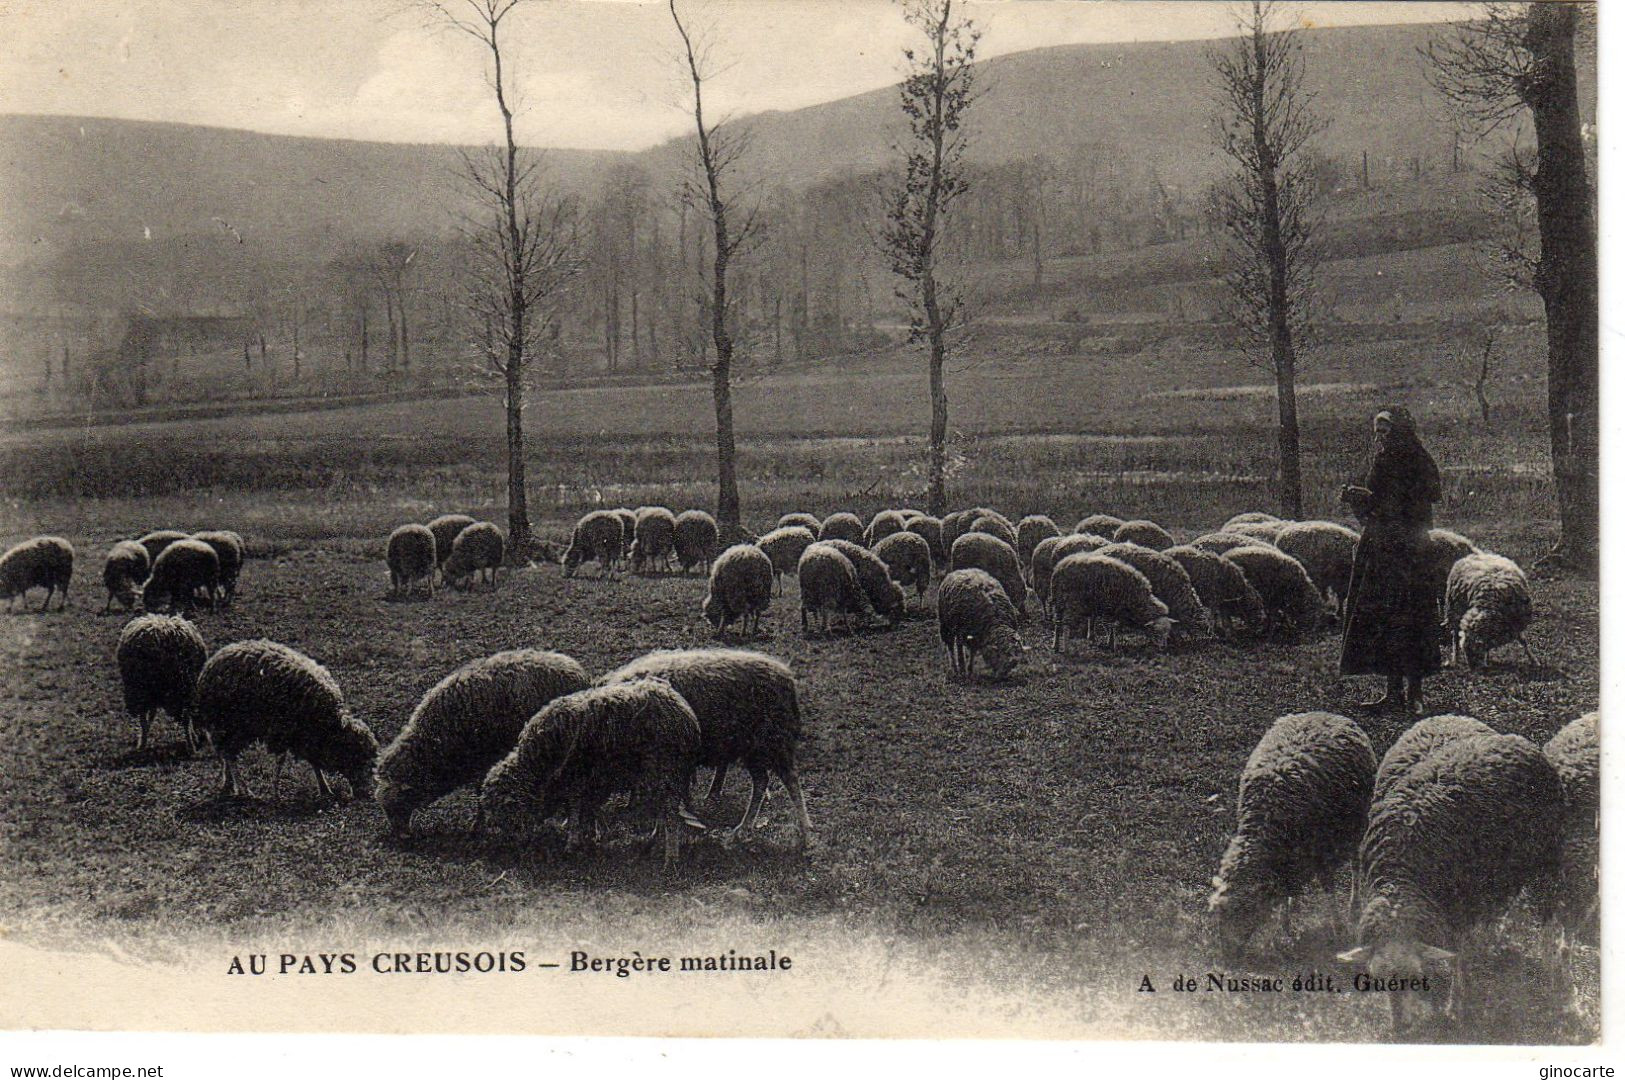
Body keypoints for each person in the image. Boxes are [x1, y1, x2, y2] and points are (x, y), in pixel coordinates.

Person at [1338, 406, 1443, 715]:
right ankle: (1393, 692)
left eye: (1384, 431)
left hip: (1405, 550)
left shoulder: (1414, 460)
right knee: (1387, 617)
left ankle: (1414, 693)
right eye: (1376, 431)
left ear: (1400, 431)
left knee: (1410, 616)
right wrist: (1364, 497)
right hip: (1385, 548)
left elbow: (1411, 500)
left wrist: (1364, 498)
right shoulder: (1385, 459)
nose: (1379, 437)